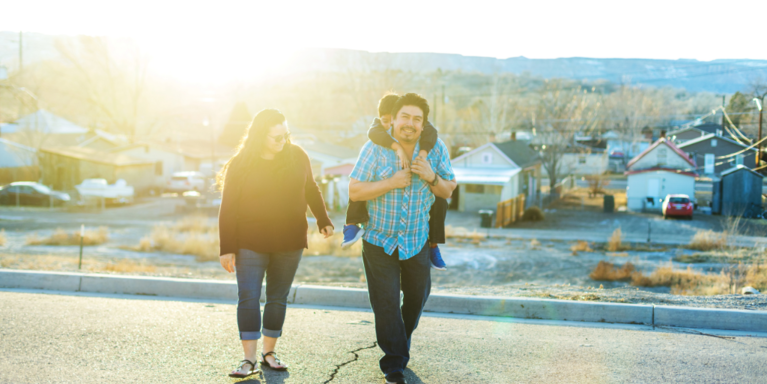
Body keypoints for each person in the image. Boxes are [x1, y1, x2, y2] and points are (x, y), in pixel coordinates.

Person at [217, 108, 334, 378]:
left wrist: (322, 219)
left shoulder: (297, 156)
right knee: (248, 297)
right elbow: (228, 207)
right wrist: (227, 247)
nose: (283, 142)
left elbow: (311, 188)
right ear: (260, 136)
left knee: (277, 298)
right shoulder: (241, 163)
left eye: (286, 135)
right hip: (249, 241)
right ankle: (248, 360)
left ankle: (269, 354)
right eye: (276, 138)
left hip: (289, 240)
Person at [348, 93, 456, 384]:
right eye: (405, 117)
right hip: (378, 240)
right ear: (393, 119)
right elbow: (354, 191)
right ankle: (394, 364)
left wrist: (432, 177)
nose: (410, 123)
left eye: (416, 119)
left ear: (424, 123)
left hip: (416, 240)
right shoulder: (374, 148)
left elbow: (448, 190)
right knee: (386, 303)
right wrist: (390, 183)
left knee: (417, 298)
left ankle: (398, 341)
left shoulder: (435, 149)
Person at [342, 94, 448, 270]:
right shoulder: (377, 132)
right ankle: (352, 224)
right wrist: (397, 147)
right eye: (385, 121)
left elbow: (432, 133)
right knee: (361, 184)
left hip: (417, 227)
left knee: (440, 199)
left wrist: (423, 157)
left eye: (391, 120)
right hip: (378, 237)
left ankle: (433, 245)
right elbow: (375, 133)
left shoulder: (420, 126)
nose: (388, 126)